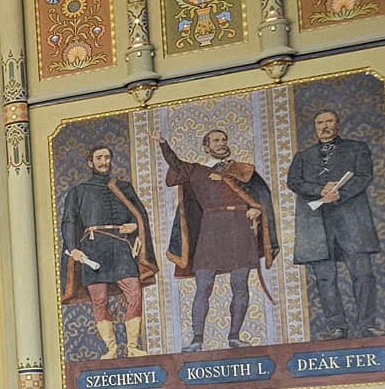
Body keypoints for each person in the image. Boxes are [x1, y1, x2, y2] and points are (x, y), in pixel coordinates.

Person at [160, 129, 277, 351]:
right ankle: (197, 340)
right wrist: (163, 144)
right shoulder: (196, 171)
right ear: (206, 147)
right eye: (216, 141)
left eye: (224, 140)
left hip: (239, 227)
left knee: (240, 284)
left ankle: (234, 337)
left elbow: (262, 197)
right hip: (211, 229)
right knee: (203, 286)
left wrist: (256, 208)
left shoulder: (242, 170)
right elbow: (175, 164)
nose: (222, 143)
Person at [287, 108, 382, 339]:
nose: (325, 126)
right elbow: (294, 182)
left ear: (337, 124)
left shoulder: (357, 148)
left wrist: (340, 193)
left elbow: (364, 176)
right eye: (320, 123)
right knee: (325, 278)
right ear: (315, 127)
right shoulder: (303, 156)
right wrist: (320, 190)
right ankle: (337, 327)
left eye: (329, 121)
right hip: (316, 224)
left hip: (352, 221)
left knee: (363, 274)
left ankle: (367, 325)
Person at [58, 145, 158, 359]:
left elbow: (139, 215)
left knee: (134, 293)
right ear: (90, 162)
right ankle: (111, 348)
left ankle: (132, 346)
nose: (104, 162)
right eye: (99, 158)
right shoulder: (79, 191)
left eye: (107, 157)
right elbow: (69, 221)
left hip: (121, 247)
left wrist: (134, 225)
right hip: (94, 249)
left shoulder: (123, 187)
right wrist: (73, 248)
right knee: (99, 299)